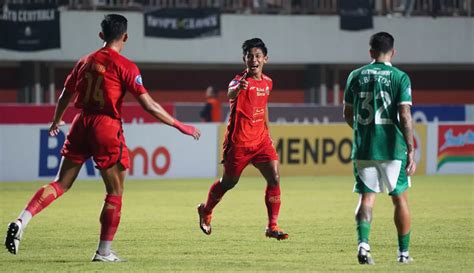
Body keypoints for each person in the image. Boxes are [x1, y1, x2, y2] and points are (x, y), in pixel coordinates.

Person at [4, 14, 200, 262]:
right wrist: (179, 125)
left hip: (80, 122)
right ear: (125, 37)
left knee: (60, 183)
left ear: (101, 36)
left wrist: (56, 120)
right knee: (115, 191)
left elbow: (66, 93)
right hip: (106, 126)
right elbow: (148, 105)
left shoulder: (84, 61)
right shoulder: (126, 66)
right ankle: (103, 252)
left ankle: (22, 219)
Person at [196, 38, 288, 240]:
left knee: (274, 177)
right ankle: (206, 209)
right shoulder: (239, 81)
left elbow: (263, 107)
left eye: (257, 56)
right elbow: (231, 91)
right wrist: (237, 89)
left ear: (265, 58)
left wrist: (268, 132)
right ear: (244, 59)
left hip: (261, 140)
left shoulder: (268, 82)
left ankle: (272, 226)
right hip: (239, 144)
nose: (253, 60)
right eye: (249, 56)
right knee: (228, 182)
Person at [343, 32, 416, 265]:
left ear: (370, 52)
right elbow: (404, 115)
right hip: (392, 147)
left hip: (364, 148)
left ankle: (363, 246)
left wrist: (362, 132)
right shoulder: (400, 77)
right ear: (392, 52)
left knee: (366, 199)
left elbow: (347, 113)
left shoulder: (355, 75)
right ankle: (403, 254)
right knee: (400, 199)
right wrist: (411, 148)